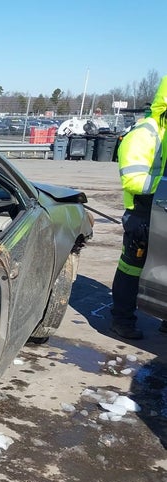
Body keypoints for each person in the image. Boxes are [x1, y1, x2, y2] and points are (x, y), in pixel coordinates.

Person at [110, 76, 167, 339]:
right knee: (131, 269)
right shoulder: (144, 134)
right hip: (142, 213)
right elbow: (132, 178)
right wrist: (161, 188)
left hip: (157, 210)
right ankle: (122, 321)